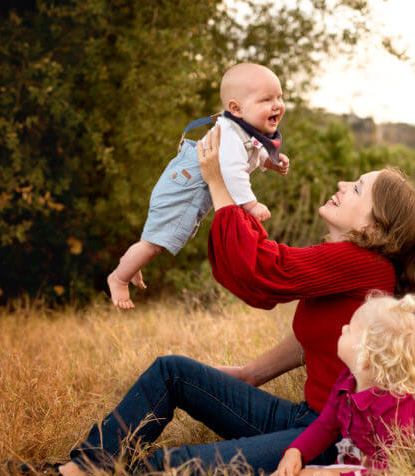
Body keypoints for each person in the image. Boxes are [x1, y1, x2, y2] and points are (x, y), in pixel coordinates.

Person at [56, 127, 415, 476]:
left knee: (172, 465)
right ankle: (82, 468)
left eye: (356, 188)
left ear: (377, 227)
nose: (341, 185)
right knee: (172, 372)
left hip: (330, 439)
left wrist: (221, 186)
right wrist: (252, 374)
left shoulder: (362, 263)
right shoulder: (348, 261)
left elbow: (266, 270)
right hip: (304, 418)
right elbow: (315, 335)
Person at [108, 63, 290, 309]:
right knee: (154, 244)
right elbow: (232, 171)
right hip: (185, 185)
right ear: (236, 108)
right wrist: (251, 204)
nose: (277, 104)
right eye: (267, 99)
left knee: (155, 243)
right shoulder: (231, 134)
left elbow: (252, 154)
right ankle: (118, 277)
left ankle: (132, 265)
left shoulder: (246, 129)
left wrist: (269, 163)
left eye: (279, 96)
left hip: (192, 184)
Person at [261, 293, 415, 476]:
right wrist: (296, 451)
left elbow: (396, 472)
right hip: (346, 470)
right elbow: (325, 426)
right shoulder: (346, 382)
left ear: (366, 356)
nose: (342, 329)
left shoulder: (395, 407)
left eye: (350, 330)